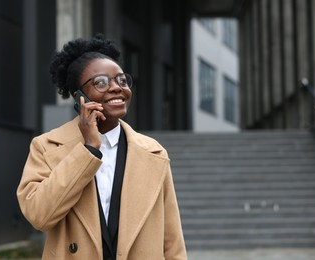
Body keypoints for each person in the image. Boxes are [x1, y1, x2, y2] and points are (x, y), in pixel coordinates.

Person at [16, 34, 187, 260]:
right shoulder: (46, 147)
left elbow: (172, 240)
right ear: (79, 97)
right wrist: (88, 150)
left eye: (122, 80)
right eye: (101, 82)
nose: (117, 88)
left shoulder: (154, 153)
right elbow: (39, 216)